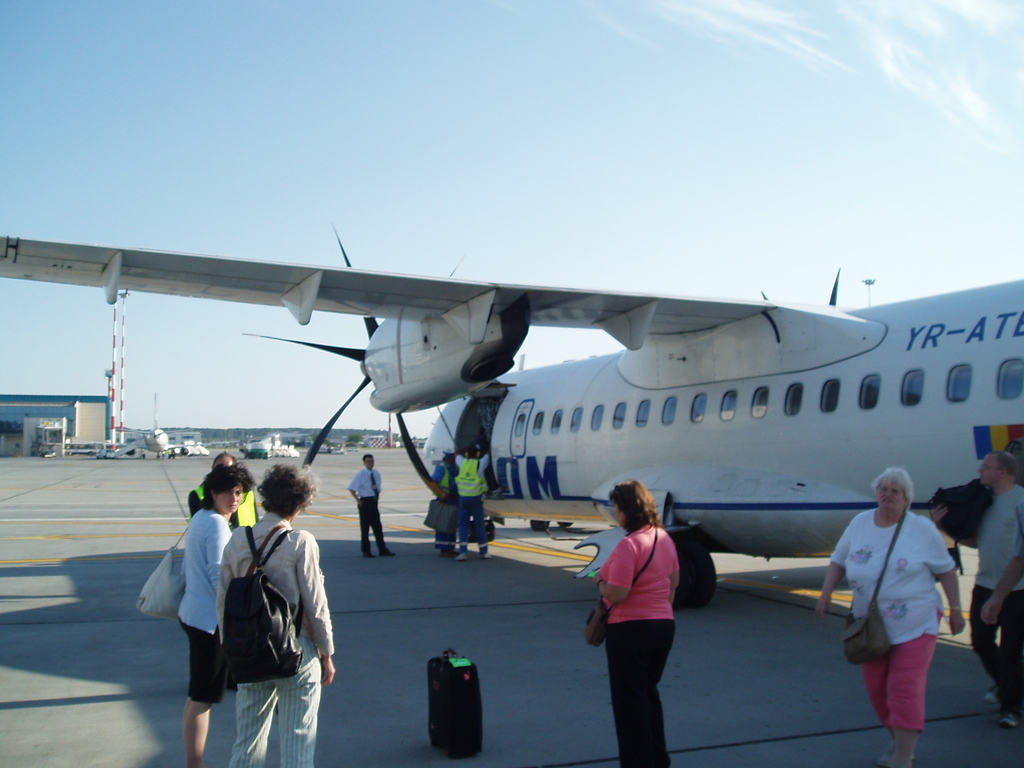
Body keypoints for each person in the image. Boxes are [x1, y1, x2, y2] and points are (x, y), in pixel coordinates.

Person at [817, 468, 964, 768]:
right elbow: (839, 559)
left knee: (903, 687)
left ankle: (903, 755)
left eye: (895, 490)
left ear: (907, 498)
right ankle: (898, 740)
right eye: (883, 489)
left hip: (916, 622)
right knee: (877, 689)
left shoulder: (921, 529)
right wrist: (826, 592)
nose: (888, 494)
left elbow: (946, 569)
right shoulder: (860, 523)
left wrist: (956, 610)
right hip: (870, 625)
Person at [217, 464, 336, 768]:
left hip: (250, 652)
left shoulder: (238, 540)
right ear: (299, 503)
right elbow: (315, 606)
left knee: (247, 743)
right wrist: (326, 653)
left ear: (265, 498)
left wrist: (230, 648)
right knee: (298, 743)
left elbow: (223, 602)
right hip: (295, 652)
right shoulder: (300, 542)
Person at [592, 480, 679, 768]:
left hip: (630, 630)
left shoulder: (628, 545)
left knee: (628, 705)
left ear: (627, 510)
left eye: (617, 508)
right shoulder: (664, 538)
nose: (616, 514)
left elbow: (618, 593)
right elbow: (673, 583)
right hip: (663, 627)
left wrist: (602, 584)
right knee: (648, 695)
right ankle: (658, 759)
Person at [178, 462, 255, 768]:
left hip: (193, 614)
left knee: (196, 695)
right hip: (208, 622)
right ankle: (194, 764)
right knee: (203, 699)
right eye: (227, 492)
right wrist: (234, 620)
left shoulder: (200, 517)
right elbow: (219, 578)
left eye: (239, 492)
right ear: (212, 492)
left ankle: (192, 762)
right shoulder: (216, 524)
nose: (234, 499)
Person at [960, 451, 1024, 729]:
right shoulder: (983, 502)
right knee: (980, 642)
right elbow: (977, 542)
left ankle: (1011, 708)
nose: (979, 470)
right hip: (984, 583)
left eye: (986, 467)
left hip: (1017, 589)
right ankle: (1007, 685)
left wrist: (1000, 596)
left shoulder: (1021, 502)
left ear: (1002, 472)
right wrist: (947, 527)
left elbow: (1021, 556)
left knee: (1010, 651)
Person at [188, 452, 258, 528]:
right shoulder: (198, 494)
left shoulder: (248, 493)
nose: (234, 498)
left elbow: (255, 521)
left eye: (238, 493)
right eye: (219, 469)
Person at [348, 454, 394, 557]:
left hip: (373, 501)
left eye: (371, 461)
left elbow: (377, 487)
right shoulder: (361, 474)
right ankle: (366, 551)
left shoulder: (376, 473)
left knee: (378, 527)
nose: (370, 463)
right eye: (368, 461)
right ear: (364, 463)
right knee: (365, 528)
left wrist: (377, 496)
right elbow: (351, 488)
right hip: (365, 501)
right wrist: (358, 500)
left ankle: (382, 549)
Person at [454, 446, 490, 561]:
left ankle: (463, 552)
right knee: (479, 524)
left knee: (463, 525)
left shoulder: (462, 463)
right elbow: (488, 454)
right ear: (478, 454)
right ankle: (484, 552)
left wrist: (464, 449)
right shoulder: (480, 463)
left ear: (467, 455)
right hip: (475, 499)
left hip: (463, 498)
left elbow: (456, 453)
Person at [430, 450, 458, 557]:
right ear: (448, 458)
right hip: (445, 500)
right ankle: (443, 549)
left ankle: (450, 548)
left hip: (454, 499)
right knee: (443, 525)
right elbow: (434, 481)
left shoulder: (454, 468)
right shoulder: (442, 468)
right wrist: (441, 493)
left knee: (452, 525)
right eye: (452, 457)